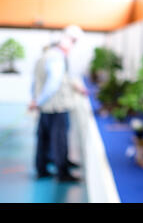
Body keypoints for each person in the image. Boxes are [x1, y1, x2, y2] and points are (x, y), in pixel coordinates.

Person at [29, 25, 87, 182]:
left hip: (45, 107)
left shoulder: (45, 56)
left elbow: (36, 82)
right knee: (59, 140)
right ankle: (63, 173)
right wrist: (38, 101)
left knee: (43, 139)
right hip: (56, 107)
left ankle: (41, 169)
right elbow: (53, 83)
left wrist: (35, 100)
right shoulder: (57, 58)